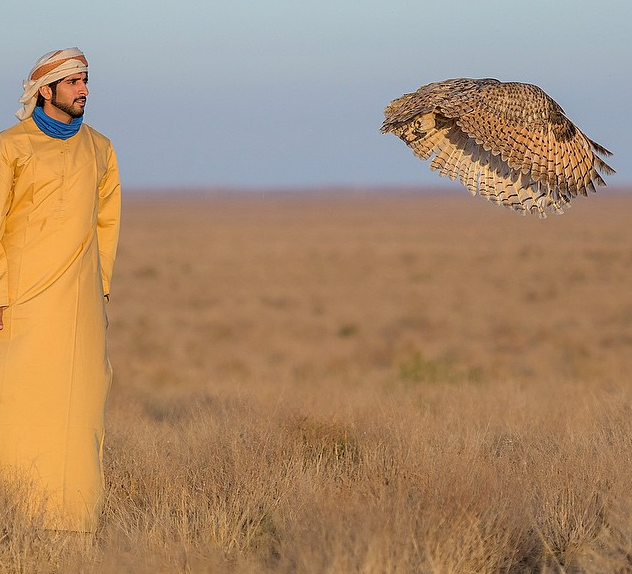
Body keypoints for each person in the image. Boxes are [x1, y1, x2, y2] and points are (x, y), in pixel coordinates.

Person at [0, 48, 121, 532]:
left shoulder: (101, 148)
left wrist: (102, 293)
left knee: (80, 412)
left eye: (85, 81)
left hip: (83, 306)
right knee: (18, 407)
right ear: (45, 91)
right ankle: (16, 516)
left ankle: (74, 524)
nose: (84, 91)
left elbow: (107, 224)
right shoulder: (12, 147)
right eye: (73, 83)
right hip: (22, 304)